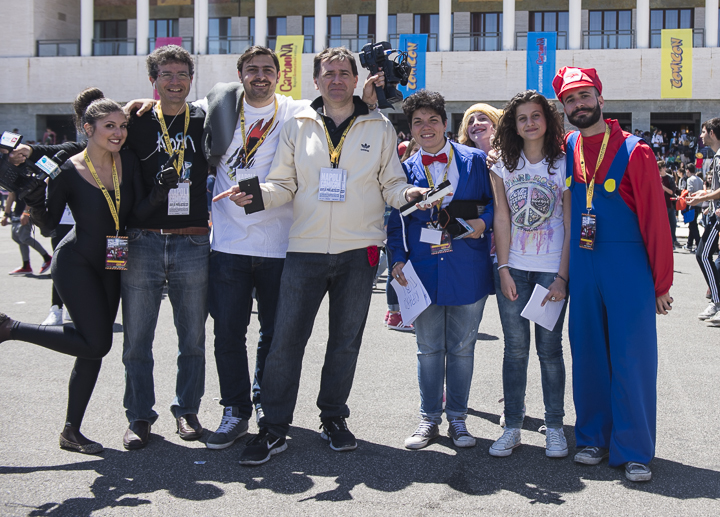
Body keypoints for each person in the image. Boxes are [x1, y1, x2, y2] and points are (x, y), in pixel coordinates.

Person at [221, 47, 425, 465]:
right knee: (285, 342)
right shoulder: (297, 124)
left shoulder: (379, 126)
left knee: (345, 342)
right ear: (315, 80)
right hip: (304, 249)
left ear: (356, 80)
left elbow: (391, 183)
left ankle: (333, 416)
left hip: (359, 251)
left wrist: (408, 194)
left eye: (344, 73)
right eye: (328, 73)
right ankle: (273, 427)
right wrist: (255, 195)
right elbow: (283, 184)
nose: (336, 80)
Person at [0, 88, 170, 454]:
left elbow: (135, 215)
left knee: (92, 350)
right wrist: (34, 200)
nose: (118, 133)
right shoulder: (68, 169)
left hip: (113, 261)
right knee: (98, 342)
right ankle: (10, 328)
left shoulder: (128, 160)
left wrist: (159, 191)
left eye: (122, 126)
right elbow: (48, 226)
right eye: (109, 126)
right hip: (75, 261)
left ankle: (71, 432)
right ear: (88, 128)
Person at [553, 66, 673, 482]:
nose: (579, 104)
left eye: (585, 96)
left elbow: (656, 221)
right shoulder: (567, 146)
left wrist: (661, 283)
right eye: (570, 99)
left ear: (600, 99)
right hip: (584, 262)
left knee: (632, 356)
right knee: (587, 352)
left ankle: (634, 448)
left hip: (627, 264)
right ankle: (592, 437)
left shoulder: (636, 150)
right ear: (564, 108)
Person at [386, 90, 494, 450]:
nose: (426, 127)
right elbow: (394, 221)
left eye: (433, 119)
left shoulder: (475, 160)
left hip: (467, 267)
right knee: (428, 348)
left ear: (445, 123)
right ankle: (429, 419)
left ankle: (458, 420)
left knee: (462, 348)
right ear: (411, 128)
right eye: (418, 122)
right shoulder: (403, 170)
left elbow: (496, 205)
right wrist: (397, 258)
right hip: (423, 269)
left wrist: (483, 223)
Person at [119, 45, 211, 450]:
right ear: (152, 80)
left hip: (193, 239)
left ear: (192, 78)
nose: (175, 82)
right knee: (137, 338)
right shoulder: (135, 121)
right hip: (143, 240)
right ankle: (139, 415)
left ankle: (187, 410)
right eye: (166, 75)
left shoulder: (206, 120)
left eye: (182, 74)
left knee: (192, 337)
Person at [487, 90, 571, 459]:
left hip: (551, 270)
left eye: (536, 116)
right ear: (514, 125)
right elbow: (501, 217)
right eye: (522, 118)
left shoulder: (563, 164)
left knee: (550, 351)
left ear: (548, 120)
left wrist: (562, 277)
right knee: (515, 350)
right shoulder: (502, 164)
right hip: (514, 269)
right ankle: (512, 427)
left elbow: (568, 222)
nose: (530, 123)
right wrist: (503, 268)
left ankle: (555, 427)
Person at [688, 118, 720, 326]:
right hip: (715, 213)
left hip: (717, 215)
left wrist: (704, 198)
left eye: (703, 132)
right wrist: (703, 194)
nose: (701, 136)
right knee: (704, 255)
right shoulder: (716, 156)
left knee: (704, 255)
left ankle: (717, 302)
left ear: (712, 133)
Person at [2, 191, 53, 275]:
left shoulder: (27, 182)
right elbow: (11, 196)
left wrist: (26, 212)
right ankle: (26, 266)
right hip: (17, 212)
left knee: (24, 238)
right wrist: (6, 215)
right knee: (17, 238)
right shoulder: (13, 184)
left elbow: (33, 196)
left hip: (27, 212)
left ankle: (47, 258)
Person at [659, 160, 680, 248]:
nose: (659, 172)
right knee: (663, 225)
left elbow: (672, 192)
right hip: (660, 205)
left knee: (673, 224)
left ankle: (673, 241)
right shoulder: (656, 177)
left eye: (660, 170)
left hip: (670, 204)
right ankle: (667, 243)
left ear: (664, 168)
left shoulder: (670, 178)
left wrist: (663, 187)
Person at [684, 164, 703, 252]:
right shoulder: (700, 179)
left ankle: (699, 244)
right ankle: (689, 243)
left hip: (692, 204)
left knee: (693, 225)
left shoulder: (690, 179)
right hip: (699, 204)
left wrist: (687, 200)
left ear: (688, 170)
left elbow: (690, 192)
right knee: (692, 224)